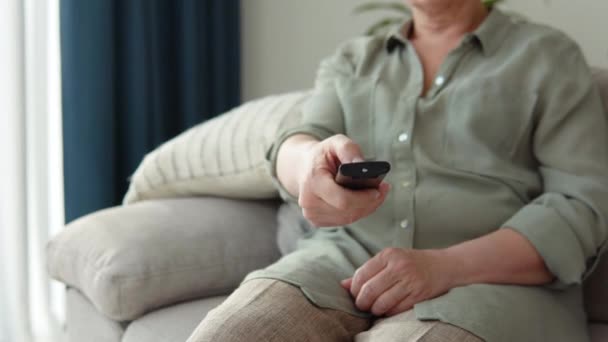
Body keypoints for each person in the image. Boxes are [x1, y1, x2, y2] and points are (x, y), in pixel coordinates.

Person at [187, 0, 608, 341]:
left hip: (488, 287)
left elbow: (581, 206)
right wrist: (307, 165)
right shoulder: (353, 61)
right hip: (339, 264)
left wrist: (444, 266)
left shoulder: (549, 57)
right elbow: (298, 140)